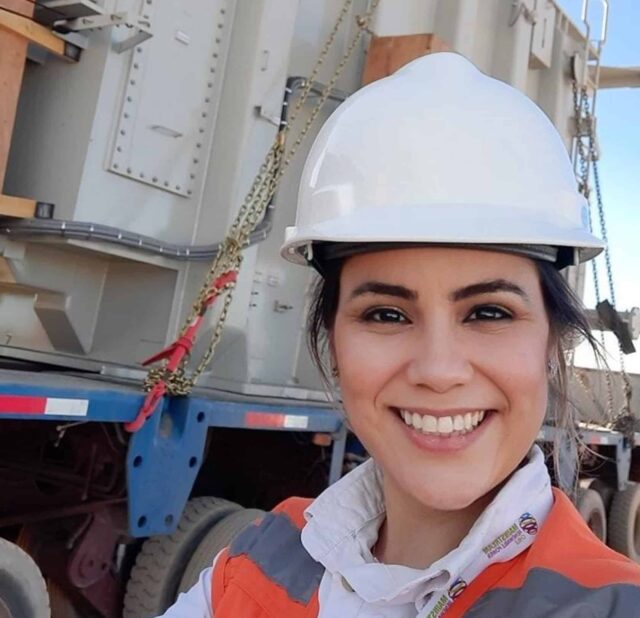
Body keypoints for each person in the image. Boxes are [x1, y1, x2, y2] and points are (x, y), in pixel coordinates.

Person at [159, 52, 640, 617]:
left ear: (552, 345)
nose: (438, 370)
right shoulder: (254, 567)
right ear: (332, 343)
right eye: (386, 314)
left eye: (488, 313)